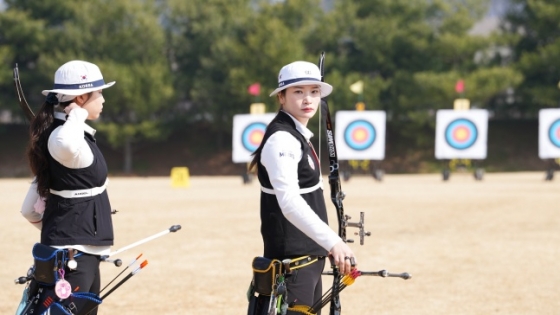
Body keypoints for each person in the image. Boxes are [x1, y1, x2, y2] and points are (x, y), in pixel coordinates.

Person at [249, 61, 358, 314]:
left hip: (307, 263)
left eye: (314, 91)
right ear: (281, 97)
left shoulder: (297, 135)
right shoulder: (282, 139)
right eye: (298, 91)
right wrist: (333, 242)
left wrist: (326, 245)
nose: (308, 99)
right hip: (293, 267)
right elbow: (289, 203)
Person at [20, 60, 116, 315]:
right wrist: (78, 114)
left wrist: (63, 230)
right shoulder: (62, 138)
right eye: (99, 93)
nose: (104, 99)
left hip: (76, 253)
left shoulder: (58, 133)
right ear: (82, 97)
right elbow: (65, 145)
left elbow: (30, 210)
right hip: (74, 257)